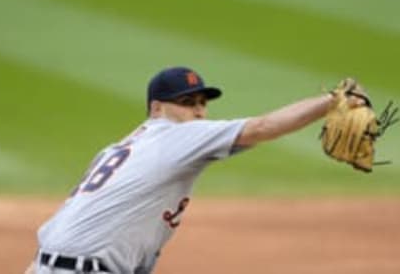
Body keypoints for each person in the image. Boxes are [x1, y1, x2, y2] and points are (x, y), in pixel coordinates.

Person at [26, 66, 339, 274]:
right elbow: (263, 127)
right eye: (188, 102)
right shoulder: (175, 135)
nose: (199, 111)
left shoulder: (118, 148)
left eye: (202, 102)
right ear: (157, 108)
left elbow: (68, 218)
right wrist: (333, 101)